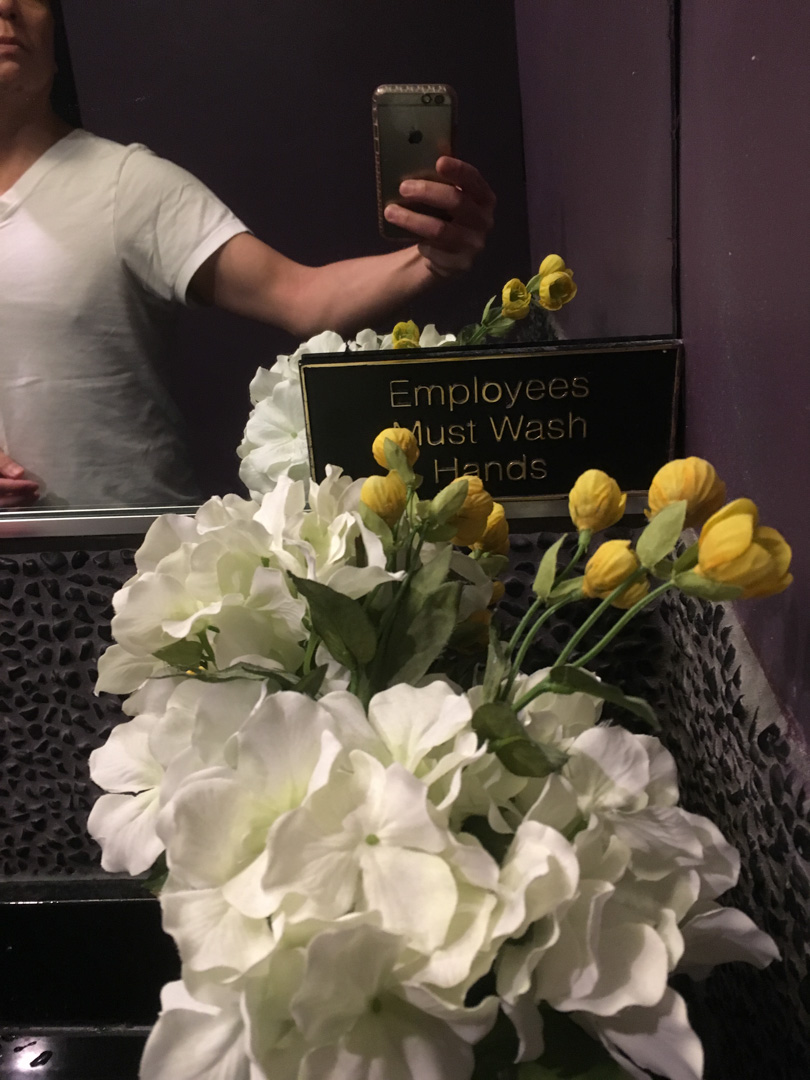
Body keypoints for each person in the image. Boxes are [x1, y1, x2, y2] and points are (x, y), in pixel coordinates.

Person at [0, 0, 496, 509]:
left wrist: (431, 258)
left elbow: (301, 297)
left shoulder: (127, 187)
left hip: (128, 548)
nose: (8, 6)